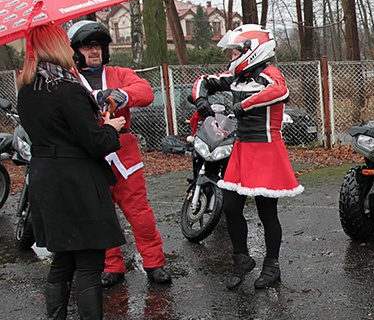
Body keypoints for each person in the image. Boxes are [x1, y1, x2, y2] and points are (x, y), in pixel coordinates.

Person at [16, 23, 133, 320]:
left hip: (44, 179)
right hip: (76, 182)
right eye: (66, 43)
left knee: (63, 260)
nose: (73, 48)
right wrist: (111, 128)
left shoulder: (29, 87)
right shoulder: (66, 88)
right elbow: (94, 143)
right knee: (88, 262)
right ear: (56, 45)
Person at [191, 24, 304, 290]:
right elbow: (203, 81)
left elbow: (280, 91)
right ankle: (241, 259)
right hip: (241, 149)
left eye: (234, 53)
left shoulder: (269, 73)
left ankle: (272, 265)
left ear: (251, 50)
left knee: (267, 212)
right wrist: (201, 100)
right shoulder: (238, 77)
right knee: (230, 207)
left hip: (266, 150)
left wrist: (243, 105)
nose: (231, 58)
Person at [67, 21, 171, 287]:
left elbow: (146, 92)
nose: (95, 51)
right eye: (88, 46)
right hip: (88, 154)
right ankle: (112, 265)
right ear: (75, 50)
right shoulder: (67, 77)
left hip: (123, 155)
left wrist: (121, 95)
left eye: (99, 46)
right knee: (100, 215)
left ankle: (154, 262)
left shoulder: (119, 73)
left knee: (140, 214)